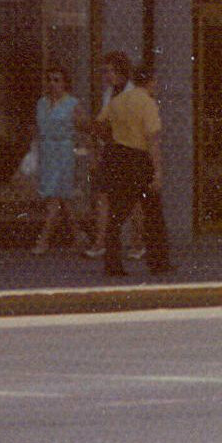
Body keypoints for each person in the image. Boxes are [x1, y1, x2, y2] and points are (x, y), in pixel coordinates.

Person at [89, 51, 172, 278]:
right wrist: (157, 171)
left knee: (117, 213)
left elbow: (98, 124)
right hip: (140, 159)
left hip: (118, 156)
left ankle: (112, 263)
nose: (156, 86)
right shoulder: (148, 103)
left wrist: (111, 139)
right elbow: (153, 139)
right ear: (150, 81)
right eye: (155, 81)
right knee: (153, 213)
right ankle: (158, 262)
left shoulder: (117, 101)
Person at [27, 64, 88, 254]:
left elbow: (84, 126)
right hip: (47, 152)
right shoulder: (42, 103)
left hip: (63, 152)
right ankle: (78, 235)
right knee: (61, 197)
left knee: (55, 197)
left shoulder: (72, 104)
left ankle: (43, 240)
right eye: (49, 80)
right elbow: (38, 129)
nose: (52, 84)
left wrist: (83, 148)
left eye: (57, 80)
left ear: (65, 83)